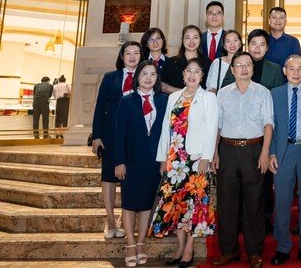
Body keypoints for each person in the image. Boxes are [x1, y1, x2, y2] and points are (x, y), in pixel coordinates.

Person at [151, 57, 218, 268]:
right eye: (189, 71)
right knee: (176, 204)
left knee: (194, 205)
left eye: (196, 71)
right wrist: (163, 157)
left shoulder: (208, 98)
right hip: (174, 160)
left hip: (196, 158)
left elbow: (212, 128)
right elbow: (165, 129)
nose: (192, 75)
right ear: (183, 74)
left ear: (202, 76)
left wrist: (206, 157)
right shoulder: (174, 97)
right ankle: (179, 246)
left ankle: (189, 247)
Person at [212, 52, 274, 268]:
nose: (244, 68)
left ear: (252, 68)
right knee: (226, 204)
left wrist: (265, 152)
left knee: (254, 204)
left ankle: (255, 252)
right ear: (232, 69)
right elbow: (217, 126)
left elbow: (268, 124)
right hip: (227, 151)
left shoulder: (263, 92)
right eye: (239, 65)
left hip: (253, 150)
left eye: (248, 64)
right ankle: (228, 251)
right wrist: (214, 153)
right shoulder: (222, 93)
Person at [269, 55, 301, 265]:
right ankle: (282, 247)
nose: (296, 72)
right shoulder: (274, 94)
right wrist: (272, 152)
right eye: (292, 68)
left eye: (300, 68)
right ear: (284, 71)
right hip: (283, 152)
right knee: (282, 202)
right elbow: (269, 127)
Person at [114, 61, 168, 267]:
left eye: (152, 74)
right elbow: (119, 134)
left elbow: (167, 133)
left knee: (146, 203)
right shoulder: (126, 101)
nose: (148, 78)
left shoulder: (163, 101)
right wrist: (119, 161)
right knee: (129, 203)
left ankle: (141, 243)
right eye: (144, 74)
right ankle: (129, 244)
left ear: (157, 78)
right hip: (131, 160)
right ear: (137, 76)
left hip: (153, 161)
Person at [92, 41, 142, 239]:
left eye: (136, 53)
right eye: (128, 53)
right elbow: (100, 108)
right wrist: (96, 136)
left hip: (134, 136)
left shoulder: (146, 76)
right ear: (122, 56)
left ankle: (123, 217)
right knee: (109, 177)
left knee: (128, 178)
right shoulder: (110, 77)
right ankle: (110, 219)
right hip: (110, 135)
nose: (132, 56)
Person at [217, 29, 283, 90]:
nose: (257, 48)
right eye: (254, 44)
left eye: (262, 45)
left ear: (267, 48)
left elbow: (277, 95)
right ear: (248, 45)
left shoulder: (275, 69)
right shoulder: (236, 64)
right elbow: (225, 89)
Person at [162, 25, 211, 93]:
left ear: (200, 39)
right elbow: (162, 85)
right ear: (182, 40)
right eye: (188, 38)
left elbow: (210, 87)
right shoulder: (171, 62)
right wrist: (184, 93)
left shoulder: (207, 62)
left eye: (195, 38)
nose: (191, 41)